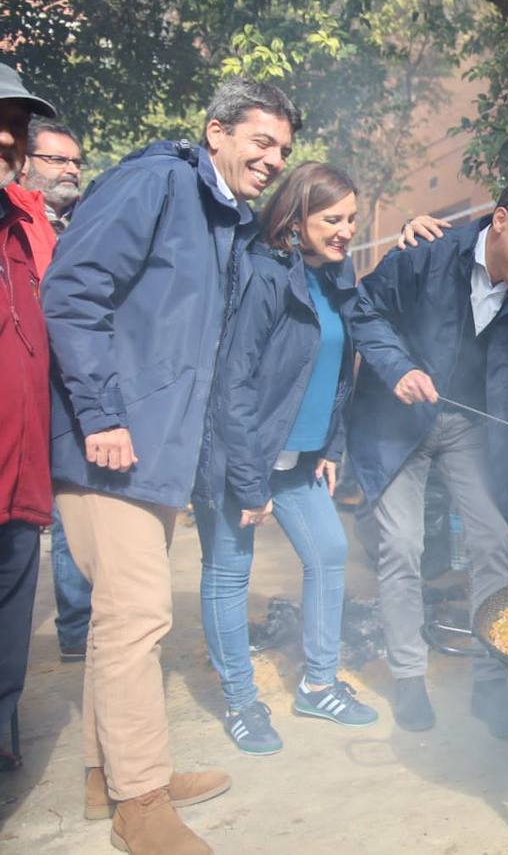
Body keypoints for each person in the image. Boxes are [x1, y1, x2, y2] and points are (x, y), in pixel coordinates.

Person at [43, 77, 300, 853]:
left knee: (124, 616)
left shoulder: (225, 220)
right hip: (110, 445)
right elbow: (73, 289)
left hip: (155, 451)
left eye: (284, 150)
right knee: (140, 619)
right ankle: (142, 802)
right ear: (215, 130)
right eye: (261, 140)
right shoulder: (156, 182)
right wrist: (103, 415)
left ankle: (107, 775)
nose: (273, 159)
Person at [347, 176, 508, 743]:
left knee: (491, 543)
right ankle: (409, 676)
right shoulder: (427, 256)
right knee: (403, 545)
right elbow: (363, 310)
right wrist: (397, 367)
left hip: (471, 426)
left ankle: (489, 684)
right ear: (501, 220)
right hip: (396, 423)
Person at [192, 162, 378, 755]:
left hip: (299, 458)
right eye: (332, 219)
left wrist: (330, 446)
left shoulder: (336, 277)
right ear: (296, 219)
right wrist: (249, 484)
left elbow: (340, 373)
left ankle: (318, 684)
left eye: (352, 218)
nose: (346, 229)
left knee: (329, 552)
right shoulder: (264, 276)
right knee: (228, 574)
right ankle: (242, 703)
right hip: (238, 456)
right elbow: (234, 384)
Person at [0, 63, 58, 774]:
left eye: (14, 127)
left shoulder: (26, 227)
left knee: (10, 633)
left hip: (21, 482)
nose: (8, 137)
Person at [18, 117, 91, 662]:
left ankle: (75, 627)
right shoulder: (15, 221)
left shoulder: (87, 222)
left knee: (70, 506)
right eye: (56, 159)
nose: (69, 169)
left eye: (75, 161)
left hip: (67, 389)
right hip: (19, 384)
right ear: (26, 160)